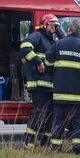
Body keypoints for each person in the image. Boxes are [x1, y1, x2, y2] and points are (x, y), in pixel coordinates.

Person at [47, 19, 80, 154]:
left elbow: (48, 62)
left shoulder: (58, 44)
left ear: (69, 30)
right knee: (78, 121)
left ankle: (56, 147)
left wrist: (54, 75)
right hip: (78, 95)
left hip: (60, 93)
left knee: (58, 121)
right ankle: (78, 147)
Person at [19, 14, 60, 149]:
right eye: (52, 25)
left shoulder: (52, 41)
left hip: (49, 84)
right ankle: (28, 140)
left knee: (50, 113)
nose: (55, 28)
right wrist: (38, 61)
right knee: (39, 112)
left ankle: (45, 140)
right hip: (38, 83)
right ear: (45, 24)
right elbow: (25, 47)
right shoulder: (37, 36)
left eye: (56, 26)